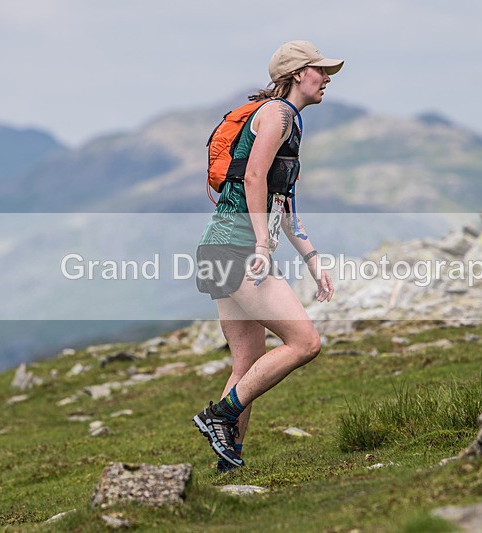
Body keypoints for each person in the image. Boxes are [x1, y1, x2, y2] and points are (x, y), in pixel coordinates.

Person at [192, 40, 343, 472]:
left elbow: (283, 199)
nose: (328, 78)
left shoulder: (289, 120)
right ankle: (218, 416)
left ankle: (228, 462)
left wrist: (312, 259)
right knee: (305, 342)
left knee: (247, 363)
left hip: (220, 246)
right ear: (298, 74)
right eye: (320, 70)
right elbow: (256, 176)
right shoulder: (276, 114)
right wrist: (261, 245)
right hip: (237, 248)